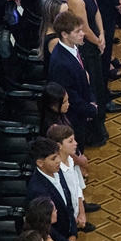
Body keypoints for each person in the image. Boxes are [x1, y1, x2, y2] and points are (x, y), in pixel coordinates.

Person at [62, 0, 113, 145]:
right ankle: (94, 130)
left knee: (100, 82)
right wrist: (98, 41)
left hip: (96, 39)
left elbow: (97, 12)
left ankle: (101, 120)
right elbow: (84, 26)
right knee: (92, 85)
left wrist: (103, 34)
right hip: (87, 46)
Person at [47, 11, 99, 145]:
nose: (83, 34)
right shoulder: (60, 63)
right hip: (73, 120)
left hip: (82, 111)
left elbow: (84, 78)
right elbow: (70, 96)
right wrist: (90, 109)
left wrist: (92, 100)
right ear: (64, 34)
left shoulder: (73, 48)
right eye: (77, 31)